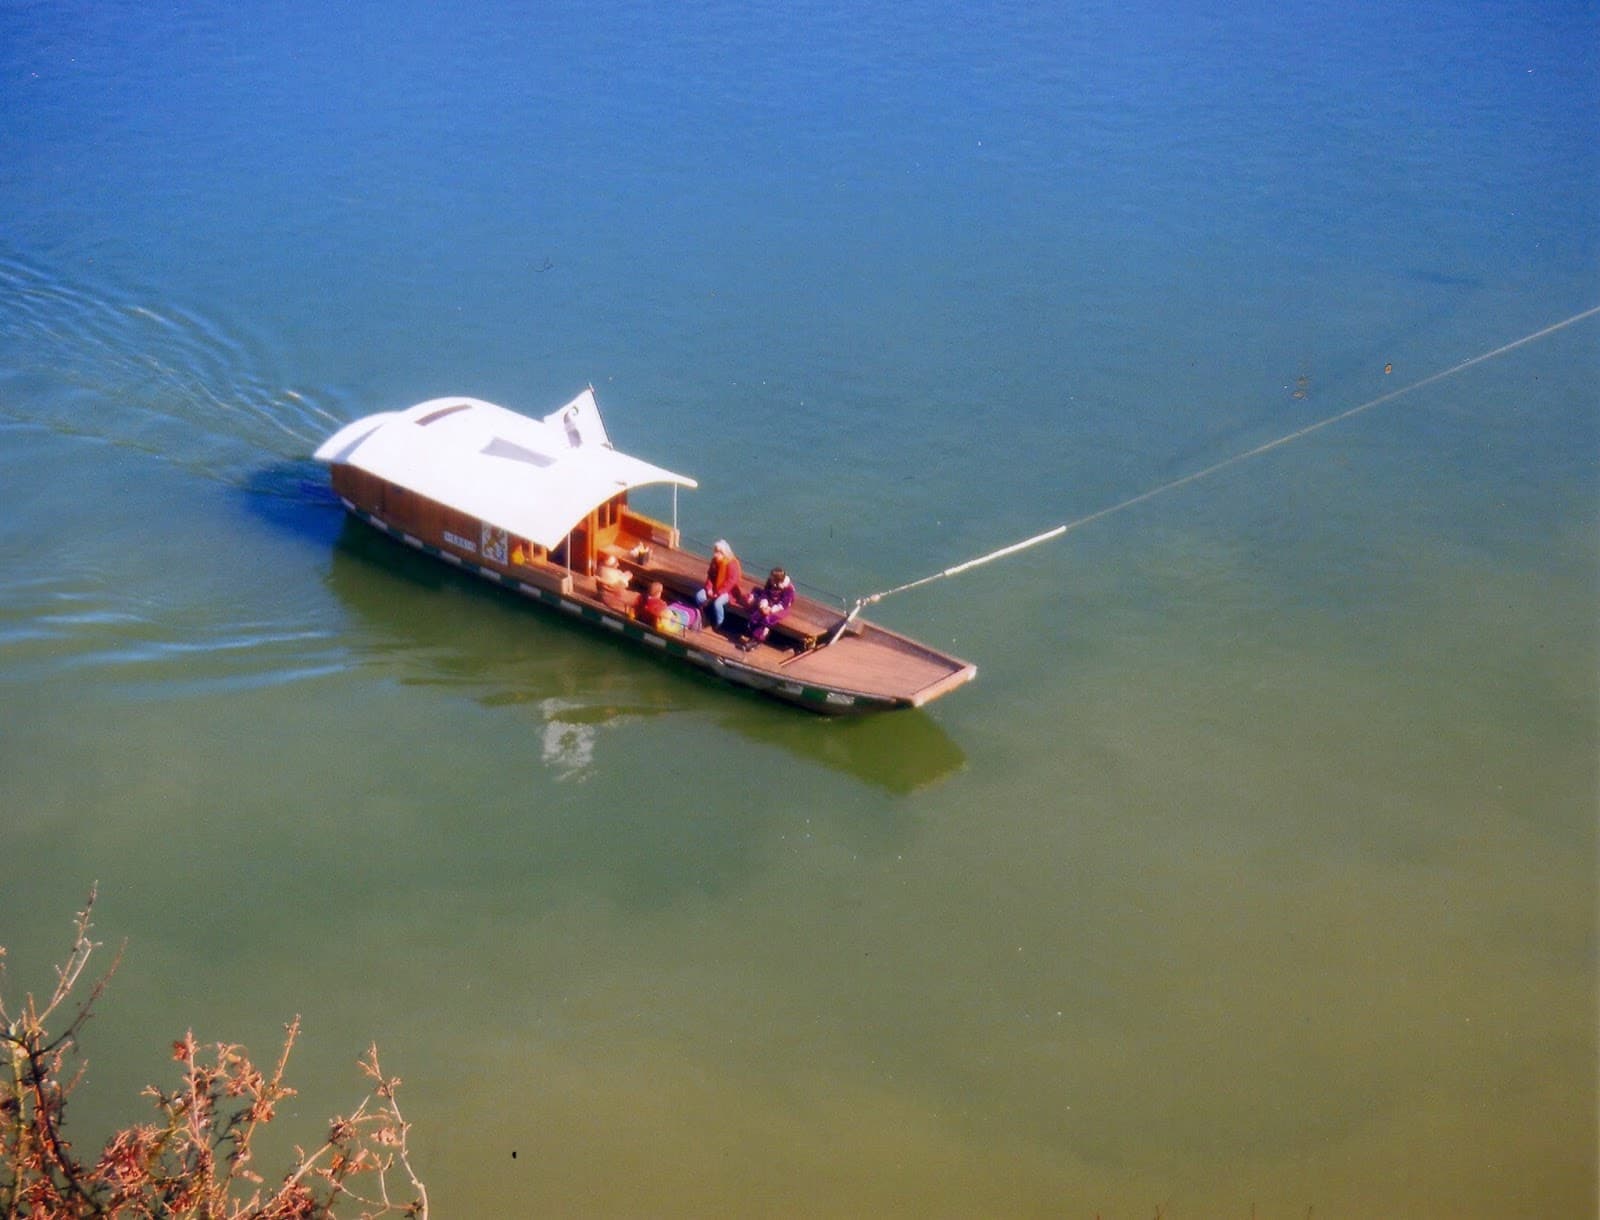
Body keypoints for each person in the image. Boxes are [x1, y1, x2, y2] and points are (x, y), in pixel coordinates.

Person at [739, 567, 795, 651]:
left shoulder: (789, 588)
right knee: (757, 614)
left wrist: (771, 610)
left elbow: (784, 603)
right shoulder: (770, 582)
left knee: (766, 619)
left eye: (772, 578)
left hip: (780, 608)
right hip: (768, 604)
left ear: (778, 580)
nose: (770, 579)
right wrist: (764, 605)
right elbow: (765, 594)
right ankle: (752, 634)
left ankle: (756, 640)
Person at [695, 539, 742, 630]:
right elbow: (710, 576)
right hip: (715, 587)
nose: (715, 554)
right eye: (715, 551)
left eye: (717, 552)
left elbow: (731, 582)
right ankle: (705, 615)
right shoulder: (714, 561)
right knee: (699, 596)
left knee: (718, 603)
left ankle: (719, 622)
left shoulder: (732, 564)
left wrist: (719, 593)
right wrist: (709, 588)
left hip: (729, 591)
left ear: (723, 553)